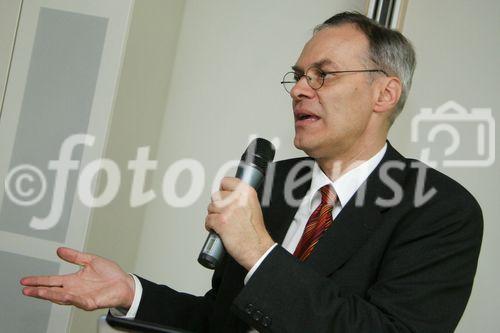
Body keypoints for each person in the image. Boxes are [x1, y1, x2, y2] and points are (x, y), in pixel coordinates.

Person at [20, 12, 483, 333]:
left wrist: (259, 250)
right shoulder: (275, 183)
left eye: (322, 74)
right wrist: (131, 292)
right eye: (298, 75)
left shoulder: (441, 210)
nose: (300, 89)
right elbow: (225, 321)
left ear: (384, 94)